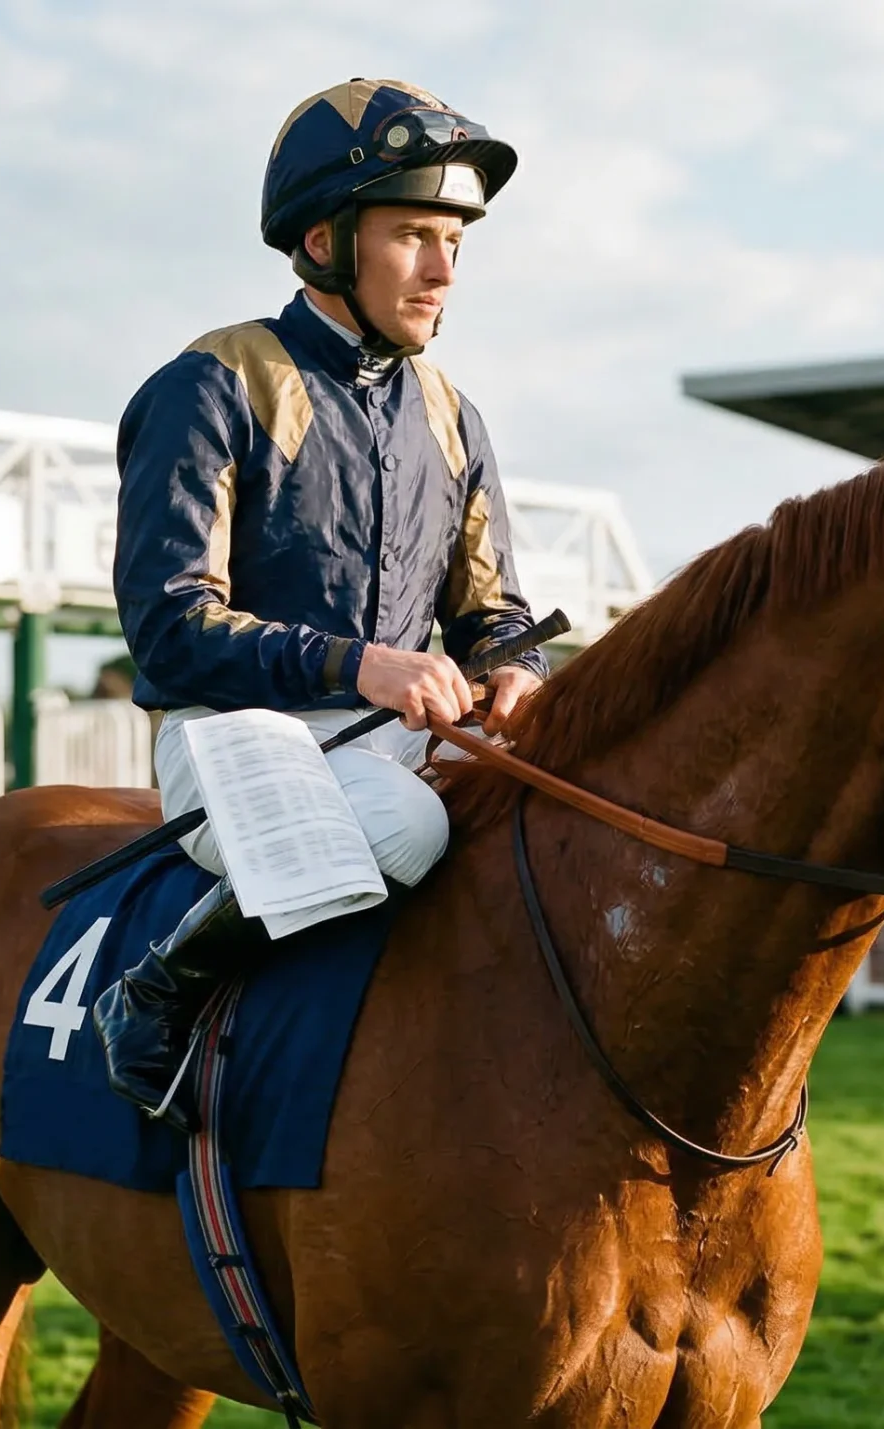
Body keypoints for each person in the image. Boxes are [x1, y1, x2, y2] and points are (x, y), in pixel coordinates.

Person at [93, 79, 548, 1131]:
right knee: (404, 827)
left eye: (454, 242)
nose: (442, 270)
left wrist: (515, 669)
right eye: (412, 236)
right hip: (229, 737)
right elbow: (169, 625)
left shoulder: (452, 413)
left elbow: (493, 612)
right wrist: (360, 666)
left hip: (397, 743)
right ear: (323, 240)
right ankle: (157, 985)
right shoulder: (210, 384)